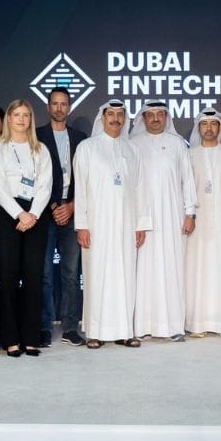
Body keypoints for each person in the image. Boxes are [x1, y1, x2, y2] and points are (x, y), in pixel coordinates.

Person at [74, 99, 152, 348]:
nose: (116, 119)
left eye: (120, 115)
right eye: (111, 114)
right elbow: (80, 189)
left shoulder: (132, 149)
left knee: (125, 275)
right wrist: (81, 224)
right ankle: (95, 332)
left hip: (126, 225)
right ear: (102, 117)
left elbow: (140, 189)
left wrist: (141, 224)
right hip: (96, 225)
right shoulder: (87, 147)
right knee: (97, 275)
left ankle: (124, 331)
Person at [0, 99, 54, 357]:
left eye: (26, 115)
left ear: (31, 119)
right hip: (9, 215)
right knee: (7, 278)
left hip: (36, 216)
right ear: (8, 118)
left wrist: (33, 214)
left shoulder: (41, 149)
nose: (21, 119)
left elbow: (45, 185)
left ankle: (30, 337)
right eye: (16, 114)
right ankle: (11, 339)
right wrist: (19, 213)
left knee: (33, 278)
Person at [130, 100, 195, 341]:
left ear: (166, 118)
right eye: (151, 114)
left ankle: (173, 326)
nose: (156, 118)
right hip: (142, 219)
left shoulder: (177, 143)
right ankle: (142, 325)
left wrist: (190, 213)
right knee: (143, 271)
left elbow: (187, 180)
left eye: (160, 114)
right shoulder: (133, 144)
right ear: (143, 118)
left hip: (172, 218)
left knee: (172, 268)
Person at [37, 88, 87, 347]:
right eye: (54, 104)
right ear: (48, 107)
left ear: (69, 107)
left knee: (70, 273)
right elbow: (34, 177)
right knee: (44, 274)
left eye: (63, 104)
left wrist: (73, 206)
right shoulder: (36, 137)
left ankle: (70, 327)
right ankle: (44, 326)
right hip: (45, 214)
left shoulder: (81, 139)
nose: (59, 108)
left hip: (73, 213)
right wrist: (54, 206)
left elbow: (87, 179)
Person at [185, 108, 221, 337]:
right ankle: (196, 323)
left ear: (220, 127)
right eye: (204, 124)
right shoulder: (189, 155)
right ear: (198, 128)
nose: (209, 128)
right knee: (196, 271)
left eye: (213, 123)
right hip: (195, 225)